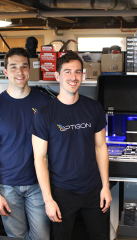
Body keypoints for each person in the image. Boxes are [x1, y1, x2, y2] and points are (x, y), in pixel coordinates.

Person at [30, 51, 112, 240]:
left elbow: (101, 147)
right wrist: (48, 199)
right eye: (67, 72)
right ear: (57, 76)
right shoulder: (44, 114)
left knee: (100, 236)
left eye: (77, 72)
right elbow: (40, 159)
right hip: (62, 193)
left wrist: (105, 186)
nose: (73, 77)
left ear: (82, 75)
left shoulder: (93, 108)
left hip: (93, 190)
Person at [0, 47, 51, 239]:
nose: (19, 72)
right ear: (5, 72)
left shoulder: (45, 103)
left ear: (29, 70)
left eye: (23, 67)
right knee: (17, 237)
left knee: (42, 237)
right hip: (7, 187)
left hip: (38, 185)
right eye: (13, 67)